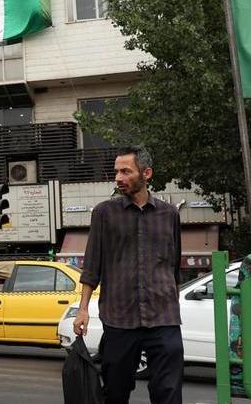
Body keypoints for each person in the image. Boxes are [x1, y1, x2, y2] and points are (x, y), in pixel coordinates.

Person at [74, 145, 183, 404]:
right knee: (115, 391)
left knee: (168, 392)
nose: (118, 178)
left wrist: (172, 298)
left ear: (146, 173)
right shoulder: (104, 213)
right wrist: (83, 309)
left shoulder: (170, 214)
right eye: (116, 172)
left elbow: (173, 264)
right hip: (120, 317)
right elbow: (92, 265)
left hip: (164, 317)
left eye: (126, 171)